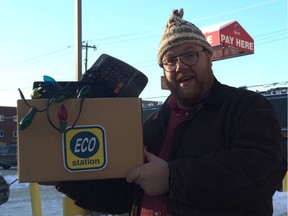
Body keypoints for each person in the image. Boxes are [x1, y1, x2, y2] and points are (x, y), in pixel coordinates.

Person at [54, 8, 287, 216]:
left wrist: (173, 178)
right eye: (170, 60)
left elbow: (263, 172)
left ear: (209, 57)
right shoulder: (151, 124)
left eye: (190, 54)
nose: (180, 66)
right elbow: (121, 196)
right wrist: (62, 178)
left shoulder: (246, 107)